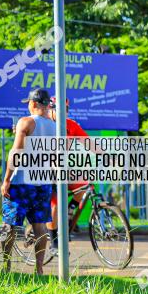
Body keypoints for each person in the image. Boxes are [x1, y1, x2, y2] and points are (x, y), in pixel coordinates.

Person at [0, 88, 57, 274]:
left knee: (9, 225)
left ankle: (6, 266)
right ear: (47, 105)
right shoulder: (56, 127)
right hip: (43, 182)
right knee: (40, 227)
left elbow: (16, 153)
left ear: (33, 104)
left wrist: (7, 179)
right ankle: (39, 269)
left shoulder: (26, 121)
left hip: (22, 182)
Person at [46, 97, 91, 251]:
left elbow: (89, 143)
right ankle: (54, 241)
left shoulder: (70, 125)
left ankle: (68, 216)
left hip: (63, 168)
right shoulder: (44, 124)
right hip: (44, 169)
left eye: (65, 110)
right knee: (57, 202)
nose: (63, 113)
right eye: (59, 109)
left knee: (83, 190)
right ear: (51, 109)